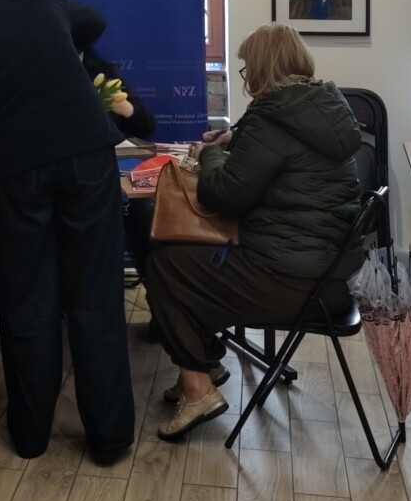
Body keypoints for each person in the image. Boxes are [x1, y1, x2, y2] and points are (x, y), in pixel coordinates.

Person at [0, 0, 134, 463]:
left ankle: (30, 435)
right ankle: (110, 438)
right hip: (87, 150)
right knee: (95, 295)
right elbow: (96, 19)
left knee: (27, 298)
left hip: (22, 163)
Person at [145, 24, 365, 439]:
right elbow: (281, 153)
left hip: (292, 283)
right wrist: (235, 139)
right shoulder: (321, 105)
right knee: (190, 261)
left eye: (247, 67)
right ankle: (205, 363)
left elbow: (225, 196)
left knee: (164, 264)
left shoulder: (273, 120)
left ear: (262, 68)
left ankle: (198, 388)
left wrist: (209, 155)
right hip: (331, 278)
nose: (246, 75)